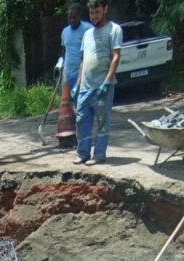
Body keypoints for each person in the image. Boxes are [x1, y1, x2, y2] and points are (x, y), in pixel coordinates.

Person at [72, 0, 122, 165]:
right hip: (85, 87)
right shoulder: (87, 34)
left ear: (105, 9)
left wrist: (107, 82)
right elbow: (83, 61)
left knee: (102, 121)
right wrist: (77, 84)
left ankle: (99, 154)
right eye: (91, 13)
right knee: (81, 121)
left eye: (97, 12)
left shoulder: (114, 29)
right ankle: (83, 153)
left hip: (102, 86)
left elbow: (116, 56)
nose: (94, 16)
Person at [58, 3, 92, 102]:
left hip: (83, 74)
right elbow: (64, 50)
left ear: (79, 16)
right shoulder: (65, 32)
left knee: (83, 103)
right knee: (72, 104)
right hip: (68, 74)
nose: (72, 20)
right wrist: (62, 66)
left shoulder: (88, 29)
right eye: (70, 18)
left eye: (74, 17)